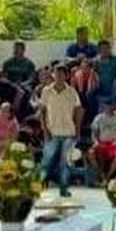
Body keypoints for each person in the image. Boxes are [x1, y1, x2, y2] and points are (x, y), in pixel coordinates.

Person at [40, 64, 82, 197]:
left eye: (61, 74)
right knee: (46, 162)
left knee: (66, 163)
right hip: (52, 132)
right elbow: (42, 112)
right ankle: (38, 187)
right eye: (56, 74)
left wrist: (77, 130)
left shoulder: (72, 92)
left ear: (66, 76)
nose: (58, 76)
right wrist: (45, 130)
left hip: (69, 132)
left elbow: (78, 111)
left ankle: (63, 188)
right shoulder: (46, 91)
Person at [89, 99, 116, 185]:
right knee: (91, 153)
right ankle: (101, 175)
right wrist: (96, 141)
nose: (110, 108)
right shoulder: (99, 118)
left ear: (115, 106)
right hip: (102, 143)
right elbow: (94, 133)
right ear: (104, 107)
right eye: (107, 106)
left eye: (111, 105)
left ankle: (108, 177)